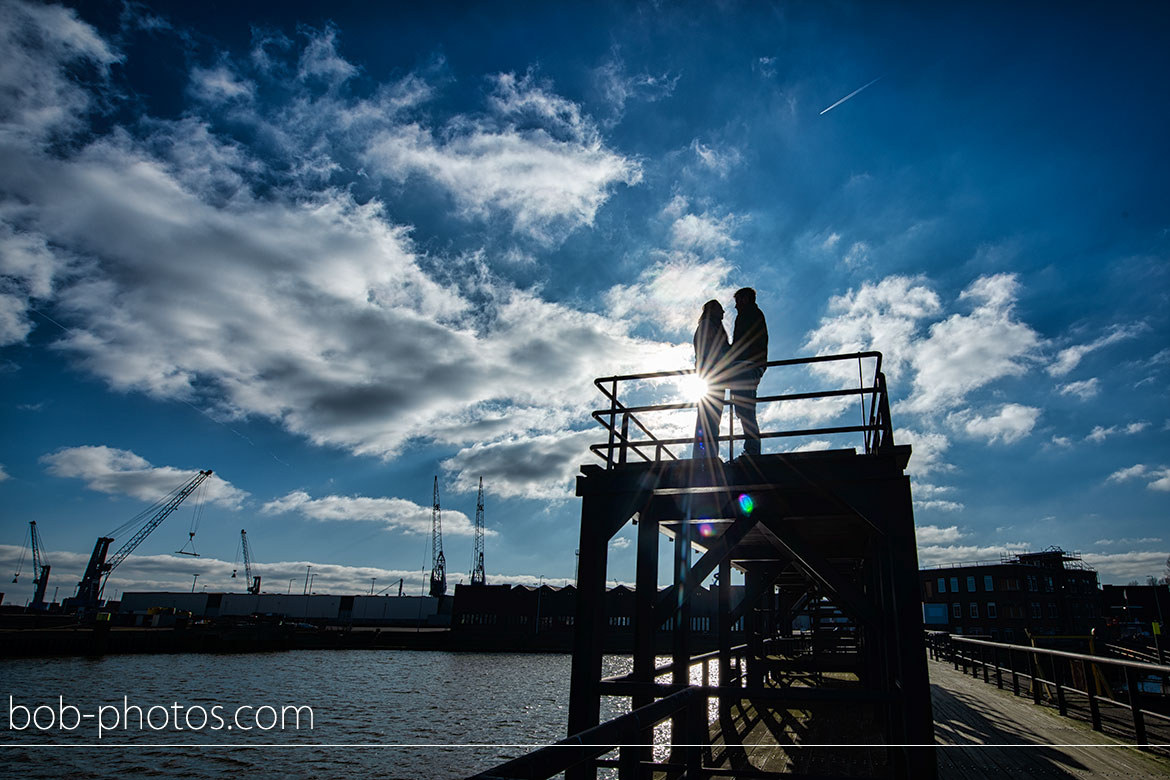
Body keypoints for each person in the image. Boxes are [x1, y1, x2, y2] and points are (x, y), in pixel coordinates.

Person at [730, 287, 768, 457]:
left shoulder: (748, 314)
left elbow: (741, 343)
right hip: (749, 366)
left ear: (745, 299)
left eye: (737, 301)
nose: (735, 305)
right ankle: (752, 449)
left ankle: (752, 450)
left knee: (745, 409)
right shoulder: (753, 314)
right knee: (744, 409)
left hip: (746, 366)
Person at [692, 299, 730, 459]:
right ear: (712, 310)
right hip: (713, 376)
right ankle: (704, 455)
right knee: (709, 417)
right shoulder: (708, 325)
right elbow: (716, 350)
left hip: (712, 375)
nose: (723, 312)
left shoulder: (710, 325)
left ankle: (707, 454)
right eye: (720, 309)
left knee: (710, 417)